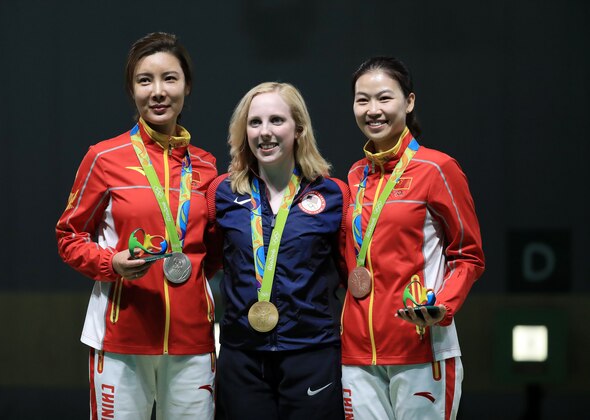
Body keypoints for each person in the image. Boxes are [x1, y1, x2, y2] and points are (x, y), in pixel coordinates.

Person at [55, 32, 218, 419]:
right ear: (132, 90)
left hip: (192, 340)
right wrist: (111, 264)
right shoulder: (104, 157)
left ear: (187, 86)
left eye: (170, 78)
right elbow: (69, 235)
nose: (158, 91)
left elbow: (211, 251)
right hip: (120, 337)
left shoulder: (208, 166)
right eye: (145, 80)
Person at [340, 56, 485, 420]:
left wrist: (441, 308)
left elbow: (468, 255)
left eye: (384, 98)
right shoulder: (355, 175)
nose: (373, 110)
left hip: (421, 349)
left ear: (409, 101)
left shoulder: (438, 169)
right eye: (362, 100)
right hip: (358, 354)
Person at [207, 82, 349, 420]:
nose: (265, 132)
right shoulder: (222, 193)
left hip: (312, 355)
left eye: (276, 121)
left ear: (299, 129)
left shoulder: (334, 195)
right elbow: (206, 263)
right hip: (242, 357)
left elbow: (350, 271)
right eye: (255, 122)